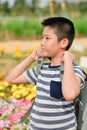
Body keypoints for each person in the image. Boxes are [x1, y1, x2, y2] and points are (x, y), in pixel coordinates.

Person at [6, 17, 84, 130]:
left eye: (47, 38)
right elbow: (11, 78)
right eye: (42, 37)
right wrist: (31, 58)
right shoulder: (41, 69)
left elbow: (70, 94)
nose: (42, 43)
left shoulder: (74, 70)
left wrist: (67, 61)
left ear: (64, 42)